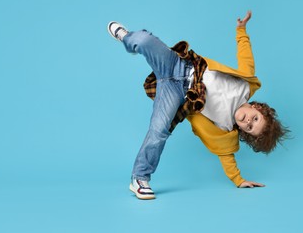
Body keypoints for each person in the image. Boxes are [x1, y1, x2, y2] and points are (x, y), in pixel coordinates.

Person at [107, 11, 289, 200]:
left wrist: (238, 180)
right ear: (257, 108)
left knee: (159, 130)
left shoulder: (224, 128)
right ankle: (126, 37)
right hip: (178, 64)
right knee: (143, 40)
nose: (248, 121)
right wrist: (241, 31)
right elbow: (246, 58)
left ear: (244, 131)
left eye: (250, 128)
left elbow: (227, 156)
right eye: (255, 118)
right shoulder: (244, 86)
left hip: (176, 92)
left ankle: (139, 178)